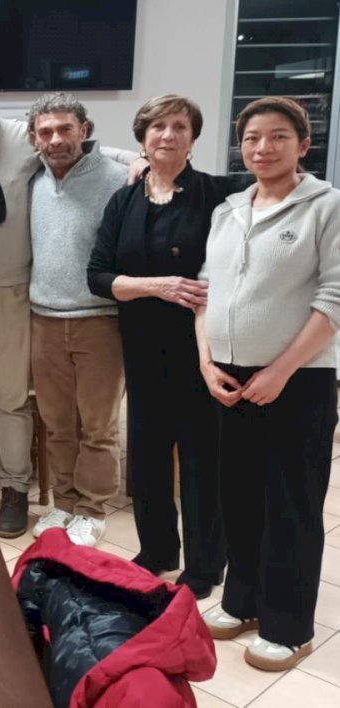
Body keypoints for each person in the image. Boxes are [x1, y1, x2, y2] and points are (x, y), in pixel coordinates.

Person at [196, 97, 340, 672]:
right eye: (252, 138)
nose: (263, 148)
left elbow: (334, 298)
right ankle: (243, 602)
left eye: (279, 136)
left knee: (291, 504)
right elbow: (205, 292)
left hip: (298, 380)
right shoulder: (228, 210)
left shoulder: (326, 206)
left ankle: (289, 626)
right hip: (229, 377)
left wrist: (280, 371)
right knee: (239, 499)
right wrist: (206, 363)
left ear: (303, 145)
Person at [88, 94, 237, 599]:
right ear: (142, 138)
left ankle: (204, 565)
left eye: (179, 127)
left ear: (193, 138)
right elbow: (98, 276)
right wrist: (159, 286)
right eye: (157, 127)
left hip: (202, 350)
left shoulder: (218, 194)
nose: (168, 135)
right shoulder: (124, 201)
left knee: (201, 460)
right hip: (142, 346)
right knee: (148, 456)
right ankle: (156, 551)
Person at [26, 94, 127, 547]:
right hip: (44, 319)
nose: (55, 140)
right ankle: (63, 503)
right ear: (34, 139)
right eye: (45, 132)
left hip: (99, 321)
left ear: (84, 131)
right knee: (57, 423)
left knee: (98, 427)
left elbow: (132, 158)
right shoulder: (34, 179)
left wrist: (137, 158)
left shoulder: (119, 178)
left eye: (65, 129)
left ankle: (91, 510)